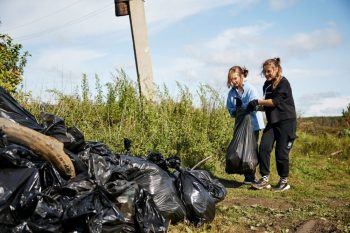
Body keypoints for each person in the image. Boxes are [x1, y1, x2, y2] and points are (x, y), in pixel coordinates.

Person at [247, 57, 296, 192]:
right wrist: (255, 107)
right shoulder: (266, 85)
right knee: (263, 148)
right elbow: (268, 106)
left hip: (286, 122)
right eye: (264, 72)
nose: (266, 74)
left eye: (269, 71)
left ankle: (283, 181)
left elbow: (275, 102)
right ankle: (264, 179)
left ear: (276, 69)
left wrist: (258, 101)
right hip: (273, 122)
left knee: (281, 153)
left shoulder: (284, 83)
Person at [226, 66, 265, 184]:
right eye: (231, 79)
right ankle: (244, 172)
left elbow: (255, 105)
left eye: (235, 78)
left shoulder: (250, 89)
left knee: (251, 148)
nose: (233, 81)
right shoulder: (231, 93)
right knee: (240, 149)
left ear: (241, 76)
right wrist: (236, 109)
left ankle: (250, 177)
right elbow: (231, 110)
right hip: (240, 125)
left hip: (253, 124)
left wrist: (245, 106)